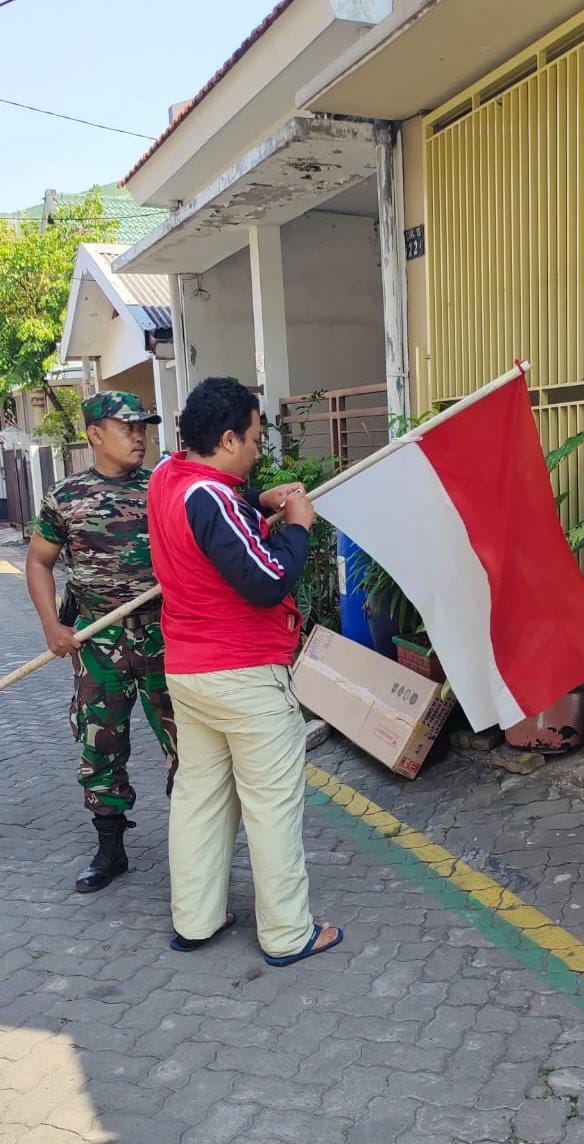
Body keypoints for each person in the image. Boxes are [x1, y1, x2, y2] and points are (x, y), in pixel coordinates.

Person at [147, 376, 342, 965]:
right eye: (254, 439)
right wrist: (300, 524)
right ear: (228, 438)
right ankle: (287, 934)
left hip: (190, 673)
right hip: (245, 675)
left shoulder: (168, 478)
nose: (259, 450)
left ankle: (196, 920)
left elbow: (215, 525)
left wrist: (258, 503)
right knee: (271, 805)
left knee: (199, 798)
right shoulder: (209, 498)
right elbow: (265, 581)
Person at [25, 391, 178, 892]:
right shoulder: (65, 498)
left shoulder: (165, 485)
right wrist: (53, 626)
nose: (139, 436)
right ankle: (110, 848)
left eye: (144, 427)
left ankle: (197, 846)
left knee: (190, 745)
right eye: (127, 426)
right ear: (94, 434)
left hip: (166, 635)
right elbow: (39, 562)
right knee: (101, 744)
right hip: (97, 639)